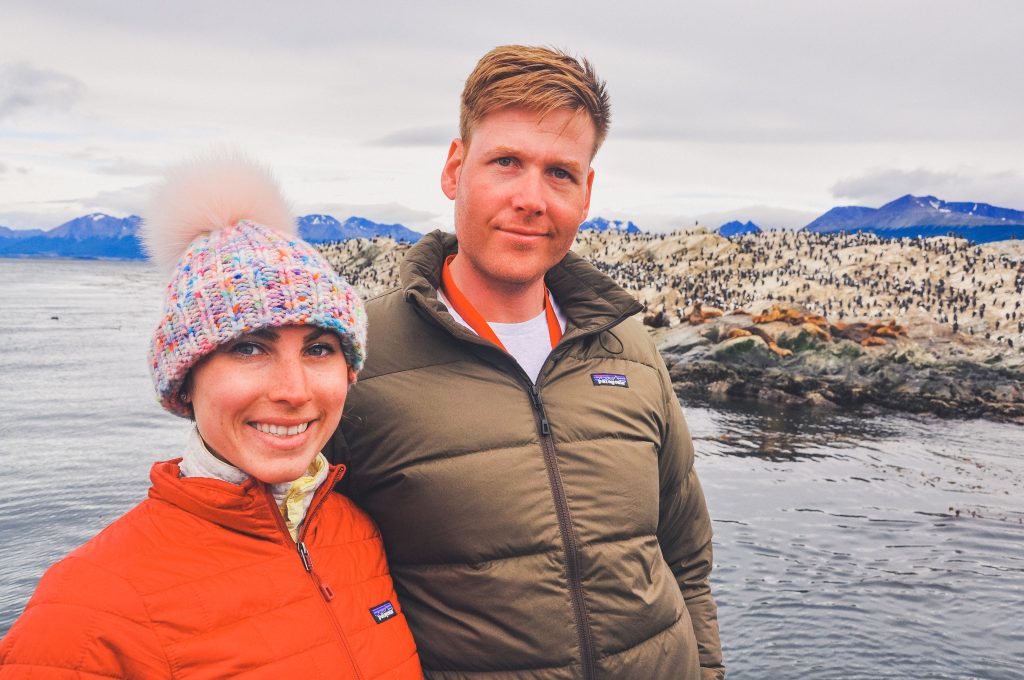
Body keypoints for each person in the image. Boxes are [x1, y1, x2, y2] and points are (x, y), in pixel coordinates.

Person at [328, 46, 724, 679]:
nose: (531, 198)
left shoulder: (629, 345)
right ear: (454, 170)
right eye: (506, 162)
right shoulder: (356, 358)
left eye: (560, 173)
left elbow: (686, 557)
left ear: (587, 191)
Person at [0, 155, 422, 679]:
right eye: (248, 348)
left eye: (319, 349)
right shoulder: (89, 609)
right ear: (186, 379)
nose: (294, 391)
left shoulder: (355, 534)